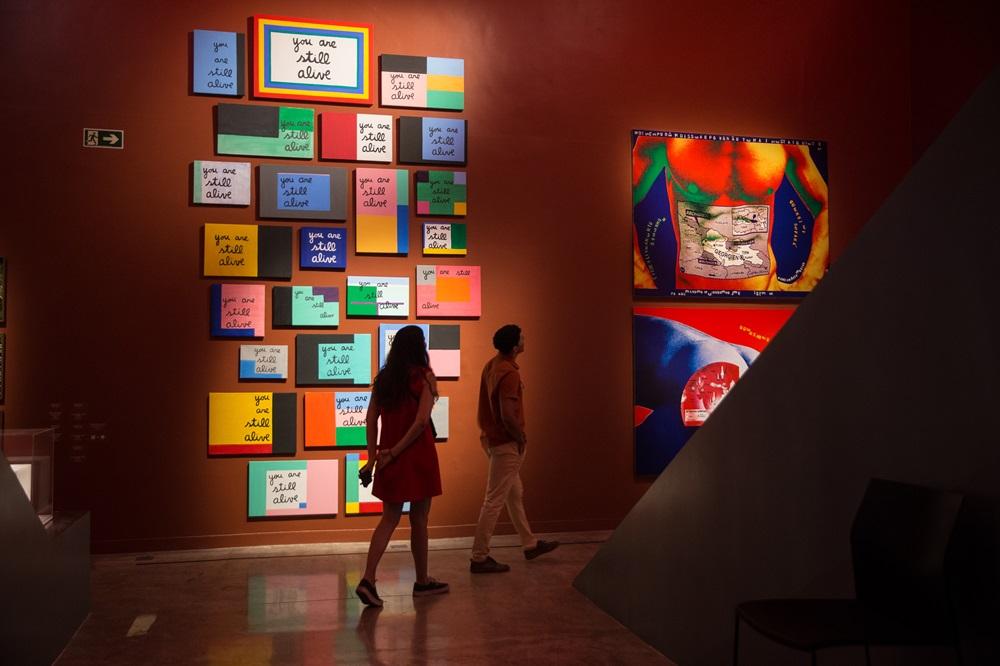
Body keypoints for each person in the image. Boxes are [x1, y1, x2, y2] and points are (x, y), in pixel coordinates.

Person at [633, 134, 829, 294]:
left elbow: (824, 205)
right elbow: (621, 202)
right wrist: (641, 281)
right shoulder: (667, 140)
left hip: (765, 299)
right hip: (693, 302)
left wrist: (810, 280)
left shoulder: (783, 145)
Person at [356, 325, 448, 606]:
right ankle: (421, 581)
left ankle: (368, 578)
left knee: (389, 519)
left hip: (388, 458)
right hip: (417, 456)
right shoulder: (425, 378)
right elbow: (421, 423)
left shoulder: (384, 380)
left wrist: (373, 458)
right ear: (419, 347)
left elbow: (370, 419)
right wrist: (395, 452)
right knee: (419, 519)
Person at [469, 324, 559, 573]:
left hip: (492, 439)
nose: (525, 338)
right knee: (494, 499)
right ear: (514, 346)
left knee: (514, 492)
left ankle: (529, 544)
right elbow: (508, 413)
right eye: (522, 337)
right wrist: (519, 437)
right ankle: (478, 556)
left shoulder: (492, 365)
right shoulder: (509, 373)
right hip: (506, 442)